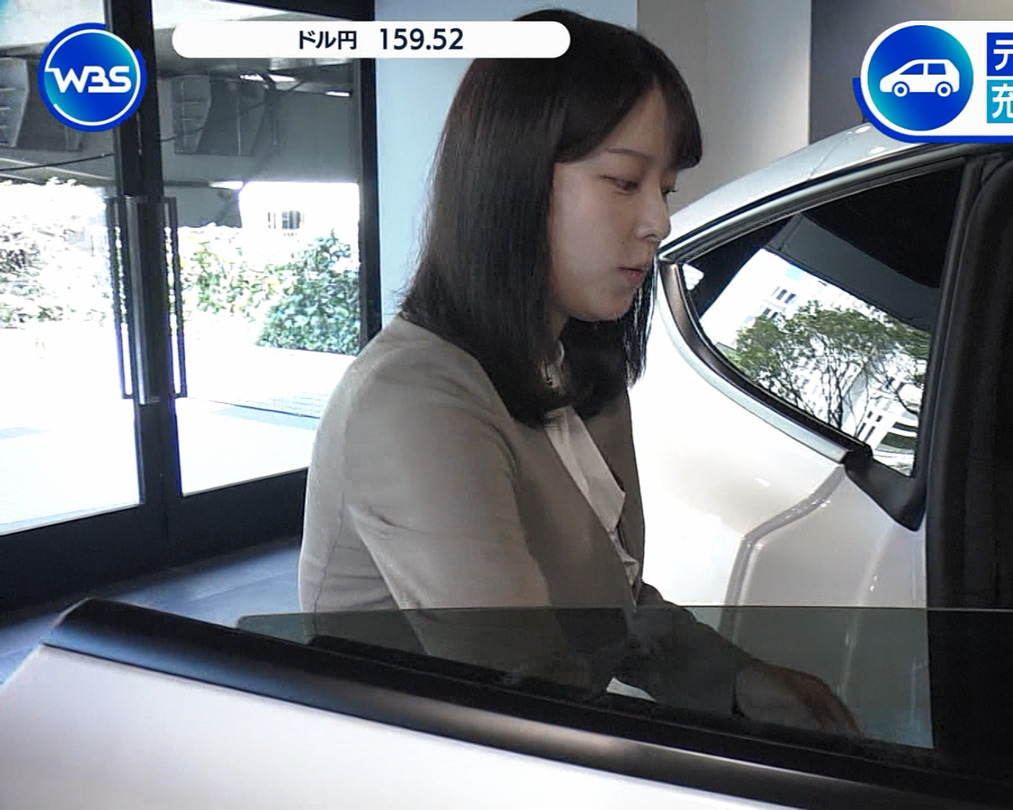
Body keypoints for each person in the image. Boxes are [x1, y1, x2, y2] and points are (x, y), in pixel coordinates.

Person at [297, 8, 855, 732]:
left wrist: (739, 682)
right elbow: (521, 687)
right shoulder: (416, 399)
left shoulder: (576, 366)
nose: (658, 220)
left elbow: (611, 605)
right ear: (513, 181)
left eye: (666, 189)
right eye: (624, 182)